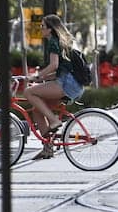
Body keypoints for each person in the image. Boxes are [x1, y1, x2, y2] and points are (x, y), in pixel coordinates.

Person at [24, 14, 85, 159]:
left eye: (43, 26)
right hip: (73, 84)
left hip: (67, 85)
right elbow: (60, 70)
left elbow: (54, 65)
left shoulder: (53, 42)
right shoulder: (62, 41)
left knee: (28, 92)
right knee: (37, 111)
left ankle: (53, 120)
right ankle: (48, 148)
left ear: (50, 29)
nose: (41, 29)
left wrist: (38, 76)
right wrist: (41, 79)